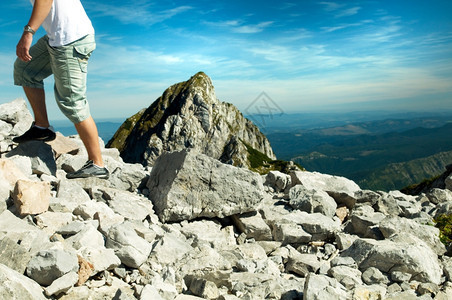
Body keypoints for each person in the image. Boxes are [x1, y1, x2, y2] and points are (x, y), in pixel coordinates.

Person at [13, 0, 109, 179]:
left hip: (71, 39)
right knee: (26, 69)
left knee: (72, 101)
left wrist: (28, 32)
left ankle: (97, 165)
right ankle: (42, 127)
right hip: (57, 38)